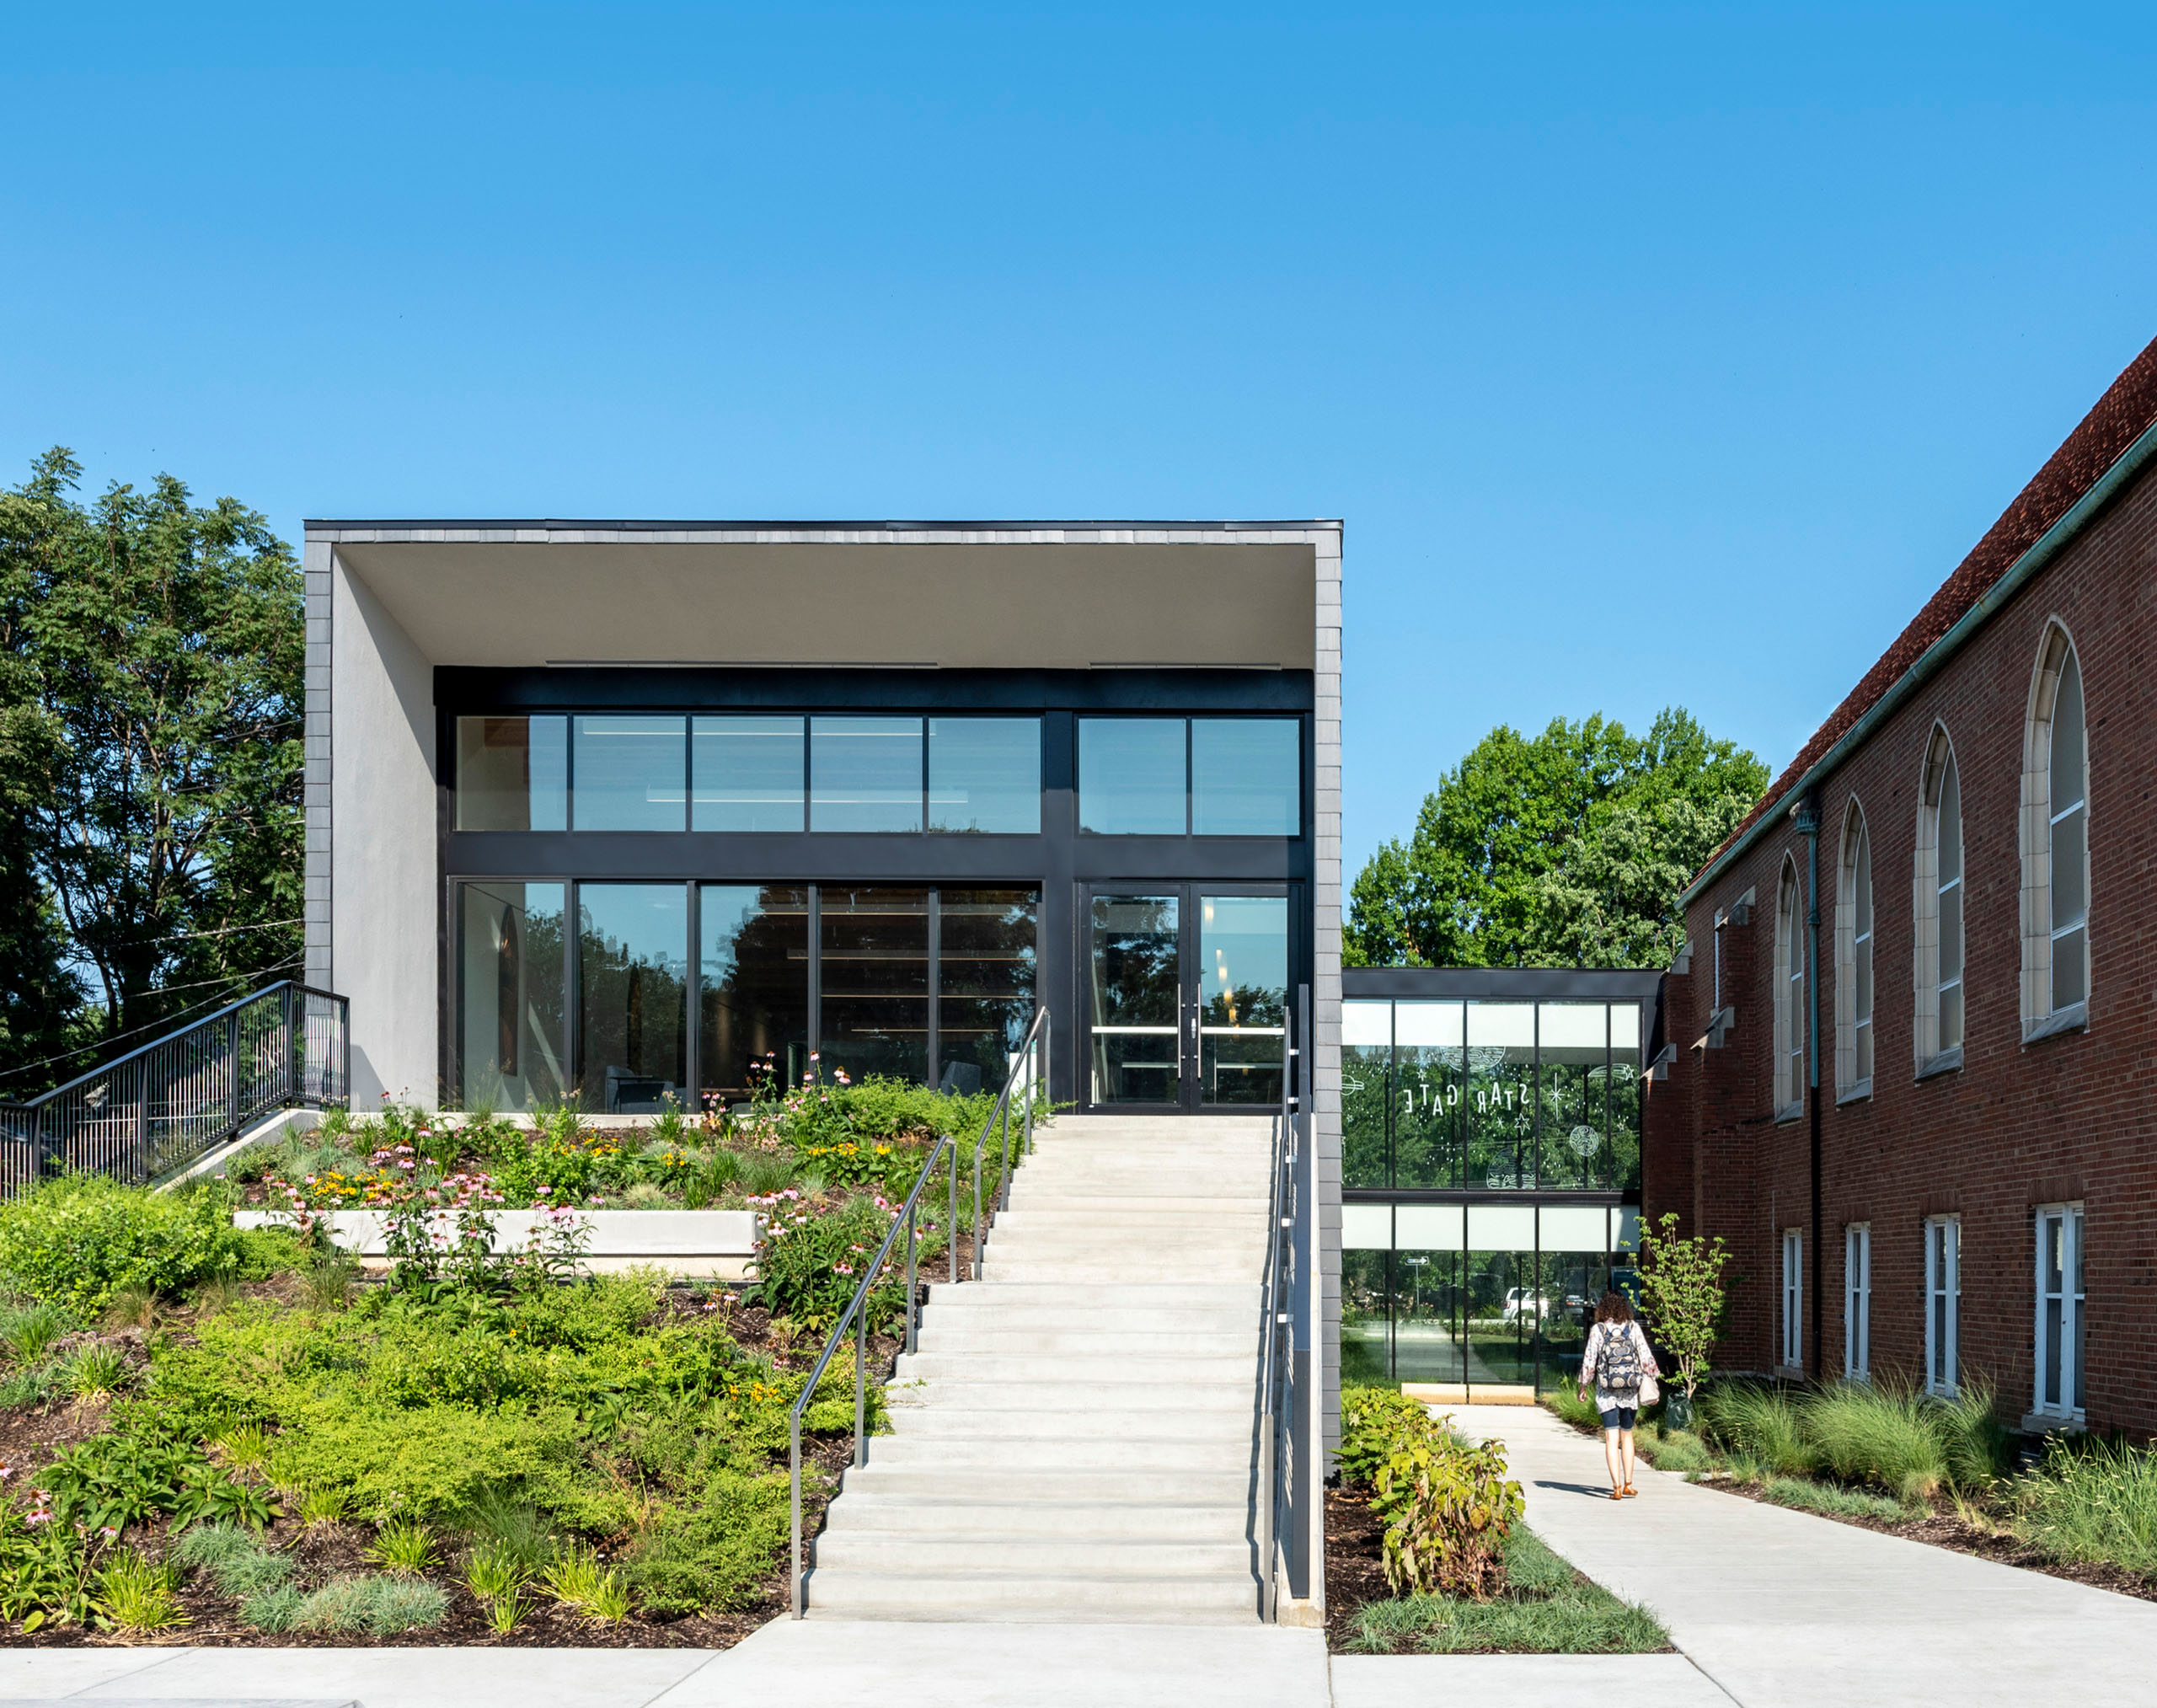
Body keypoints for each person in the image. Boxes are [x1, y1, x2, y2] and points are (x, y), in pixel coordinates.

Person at [1577, 1291, 1659, 1500]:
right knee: (1627, 1434)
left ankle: (1615, 1487)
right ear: (1625, 1308)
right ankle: (1628, 1484)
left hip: (1606, 1392)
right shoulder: (1633, 1328)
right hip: (1630, 1391)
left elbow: (1589, 1360)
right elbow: (1646, 1356)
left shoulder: (1598, 1330)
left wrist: (1583, 1385)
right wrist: (1654, 1382)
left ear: (1603, 1309)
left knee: (1611, 1437)